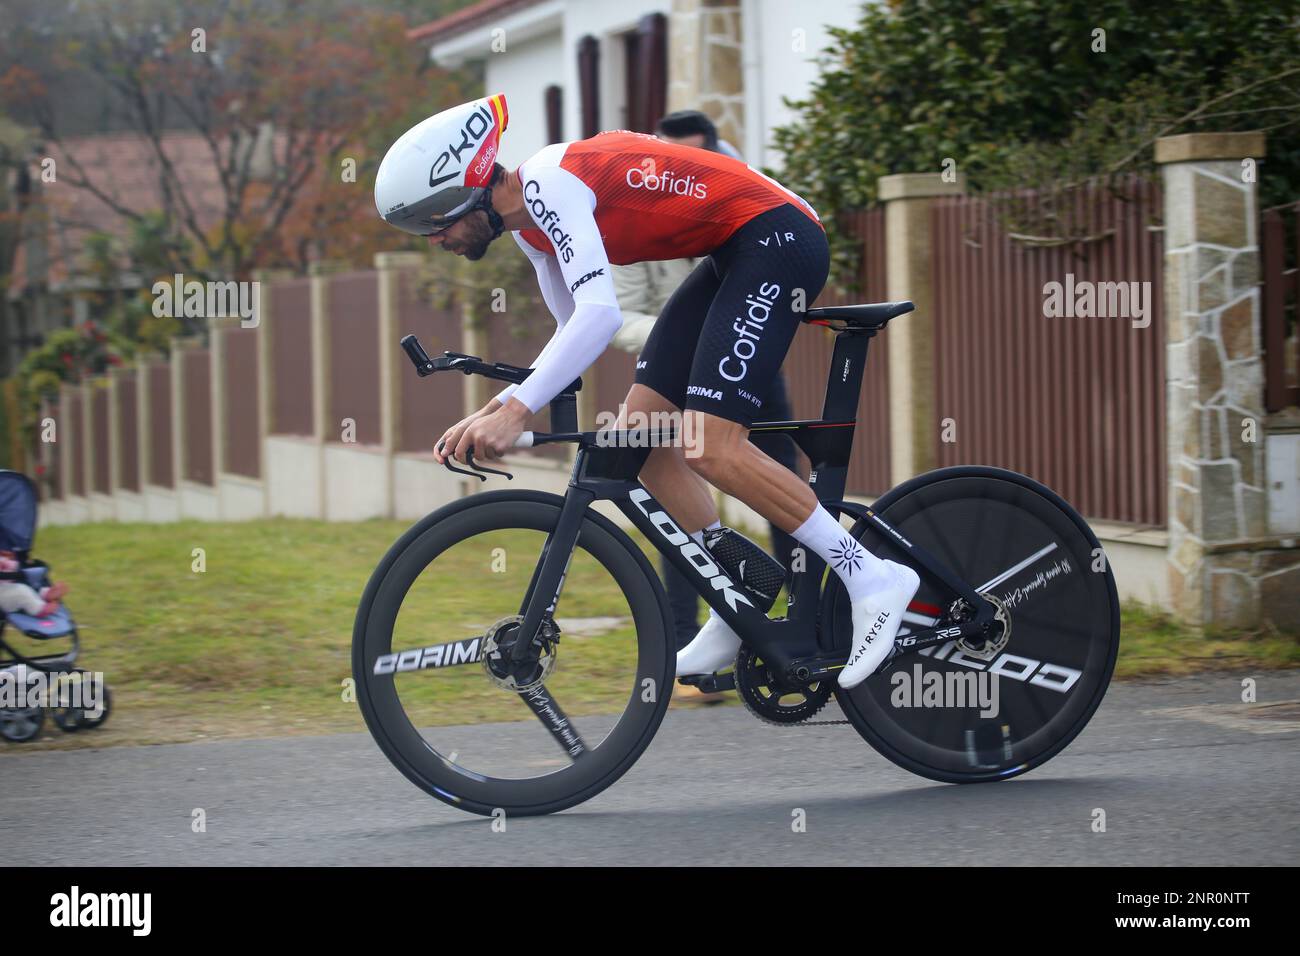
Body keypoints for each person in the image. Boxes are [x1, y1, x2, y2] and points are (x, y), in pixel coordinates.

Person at [374, 94, 919, 689]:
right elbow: (571, 331)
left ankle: (871, 576)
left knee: (711, 446)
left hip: (778, 239)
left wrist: (517, 410)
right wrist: (499, 405)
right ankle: (738, 598)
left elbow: (601, 316)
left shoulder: (552, 184)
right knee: (637, 441)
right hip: (734, 252)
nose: (434, 239)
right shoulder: (532, 231)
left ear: (467, 189)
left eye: (434, 222)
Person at [609, 109, 798, 656]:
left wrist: (727, 336)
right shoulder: (638, 203)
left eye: (698, 154)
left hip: (749, 356)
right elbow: (622, 317)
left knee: (779, 480)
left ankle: (811, 615)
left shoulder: (737, 184)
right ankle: (689, 636)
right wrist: (685, 339)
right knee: (669, 485)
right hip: (676, 363)